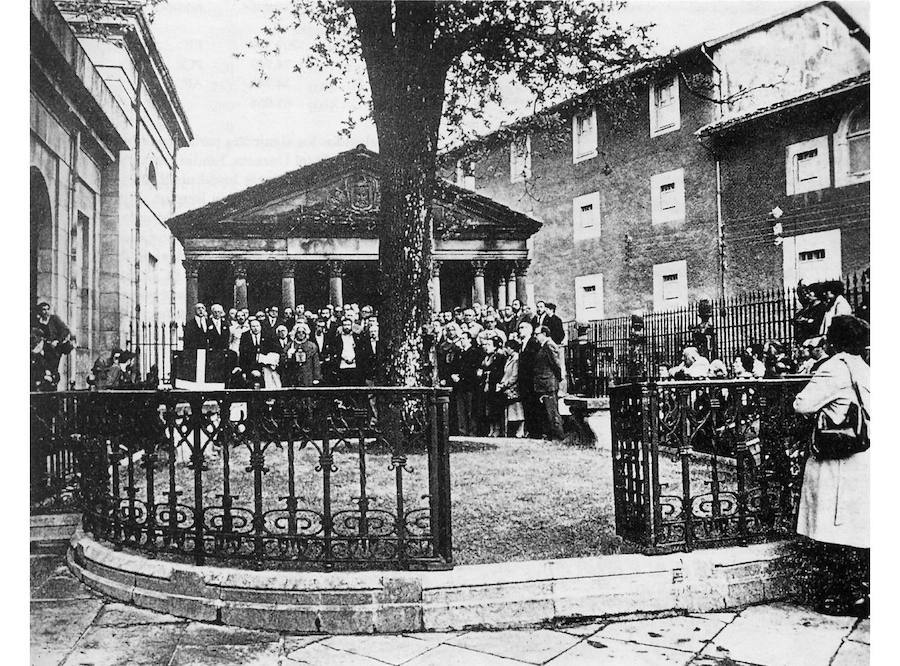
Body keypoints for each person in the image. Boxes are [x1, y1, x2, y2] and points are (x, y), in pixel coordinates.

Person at [793, 315, 869, 616]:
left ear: (834, 340)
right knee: (858, 528)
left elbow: (802, 404)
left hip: (839, 458)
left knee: (833, 528)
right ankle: (861, 592)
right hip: (863, 457)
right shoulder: (863, 367)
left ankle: (841, 596)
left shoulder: (835, 368)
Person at [532, 325, 565, 441]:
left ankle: (558, 436)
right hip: (543, 384)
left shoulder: (549, 345)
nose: (535, 337)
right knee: (547, 412)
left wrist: (558, 380)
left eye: (537, 334)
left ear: (544, 334)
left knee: (552, 412)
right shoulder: (543, 346)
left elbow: (556, 364)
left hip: (548, 384)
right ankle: (551, 435)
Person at [449, 330, 481, 436]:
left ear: (469, 340)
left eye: (463, 339)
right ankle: (462, 430)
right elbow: (454, 366)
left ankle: (472, 431)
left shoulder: (474, 352)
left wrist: (461, 377)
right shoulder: (459, 353)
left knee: (471, 409)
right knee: (461, 409)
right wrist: (453, 375)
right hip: (459, 386)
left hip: (470, 385)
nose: (461, 341)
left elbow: (472, 369)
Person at [34, 302, 73, 384]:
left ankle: (53, 384)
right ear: (40, 311)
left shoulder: (54, 319)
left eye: (48, 309)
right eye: (43, 310)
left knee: (53, 368)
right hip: (42, 348)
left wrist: (57, 340)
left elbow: (65, 330)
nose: (46, 312)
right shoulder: (38, 322)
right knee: (42, 366)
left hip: (54, 349)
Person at [476, 336, 507, 436]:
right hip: (485, 384)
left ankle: (497, 429)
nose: (487, 347)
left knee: (495, 408)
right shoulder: (485, 357)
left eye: (489, 345)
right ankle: (490, 428)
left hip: (494, 385)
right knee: (487, 408)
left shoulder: (500, 357)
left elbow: (500, 371)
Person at [517, 320, 542, 438]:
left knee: (533, 406)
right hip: (524, 382)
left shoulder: (533, 342)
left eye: (522, 328)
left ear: (529, 330)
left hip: (531, 381)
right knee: (527, 406)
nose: (519, 330)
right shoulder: (522, 344)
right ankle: (531, 431)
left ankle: (536, 431)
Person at [238, 317, 280, 387]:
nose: (256, 328)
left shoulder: (267, 335)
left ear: (260, 327)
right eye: (253, 326)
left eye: (257, 326)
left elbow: (273, 350)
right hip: (251, 365)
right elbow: (243, 354)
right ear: (250, 327)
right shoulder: (245, 336)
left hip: (265, 365)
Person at [498, 338, 525, 437]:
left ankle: (521, 429)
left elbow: (515, 375)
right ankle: (514, 430)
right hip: (507, 386)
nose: (505, 350)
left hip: (514, 387)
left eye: (506, 348)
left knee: (517, 409)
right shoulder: (509, 358)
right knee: (511, 410)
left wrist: (507, 384)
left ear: (511, 348)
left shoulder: (516, 358)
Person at [334, 317, 363, 385]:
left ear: (351, 325)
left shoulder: (357, 337)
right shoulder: (337, 338)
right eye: (345, 325)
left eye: (348, 325)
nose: (347, 327)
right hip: (342, 365)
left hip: (354, 365)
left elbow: (360, 351)